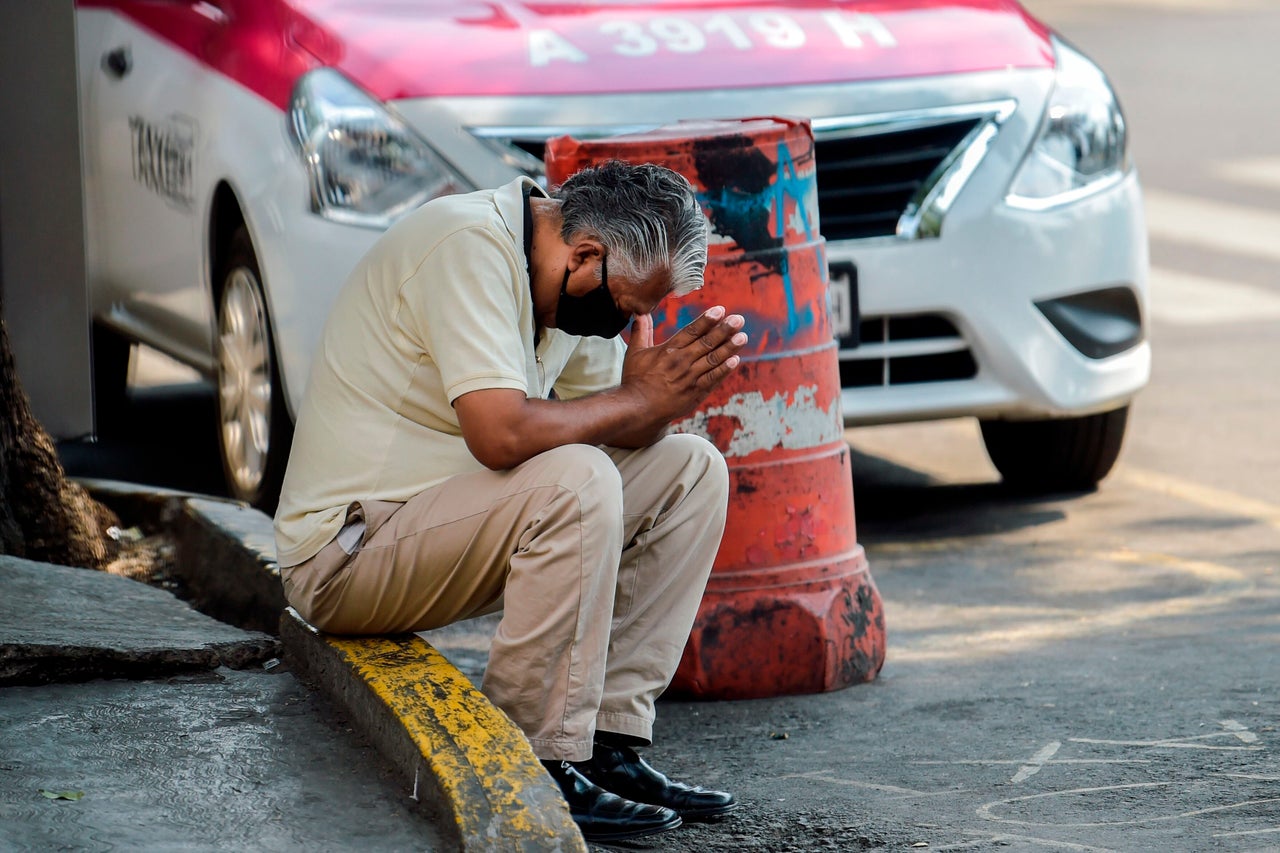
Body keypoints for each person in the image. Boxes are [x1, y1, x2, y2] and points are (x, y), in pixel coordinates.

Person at [272, 160, 747, 842]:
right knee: (576, 480)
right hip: (346, 554)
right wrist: (633, 400)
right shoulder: (467, 246)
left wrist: (657, 399)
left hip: (444, 530)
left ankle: (605, 743)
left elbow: (611, 418)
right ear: (588, 254)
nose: (627, 327)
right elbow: (500, 434)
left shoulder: (566, 282)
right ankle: (532, 759)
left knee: (691, 470)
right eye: (631, 308)